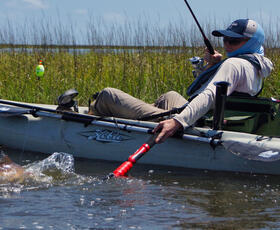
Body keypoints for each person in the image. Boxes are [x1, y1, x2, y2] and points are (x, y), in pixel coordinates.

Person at [88, 19, 273, 144]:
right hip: (209, 116)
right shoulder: (256, 64)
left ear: (251, 41)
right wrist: (212, 66)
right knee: (169, 96)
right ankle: (139, 120)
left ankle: (92, 129)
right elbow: (224, 90)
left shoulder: (234, 64)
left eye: (233, 41)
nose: (226, 44)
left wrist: (177, 122)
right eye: (225, 38)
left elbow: (209, 95)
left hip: (199, 121)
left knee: (107, 95)